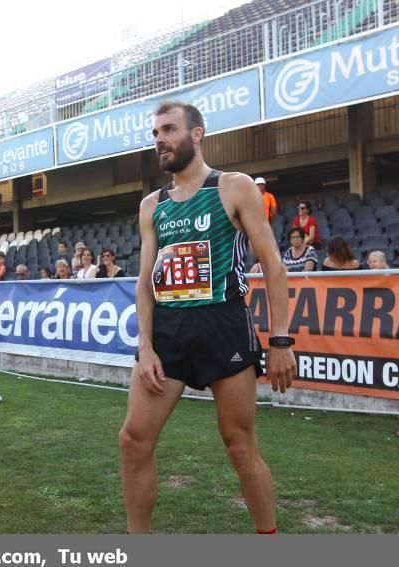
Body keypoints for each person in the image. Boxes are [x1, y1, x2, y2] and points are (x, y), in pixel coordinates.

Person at [120, 101, 295, 535]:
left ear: (196, 134)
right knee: (133, 440)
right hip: (168, 332)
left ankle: (268, 539)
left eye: (169, 130)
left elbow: (273, 264)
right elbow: (145, 282)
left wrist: (280, 341)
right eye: (156, 132)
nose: (159, 139)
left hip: (223, 326)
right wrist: (145, 347)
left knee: (239, 445)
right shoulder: (152, 205)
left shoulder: (233, 187)